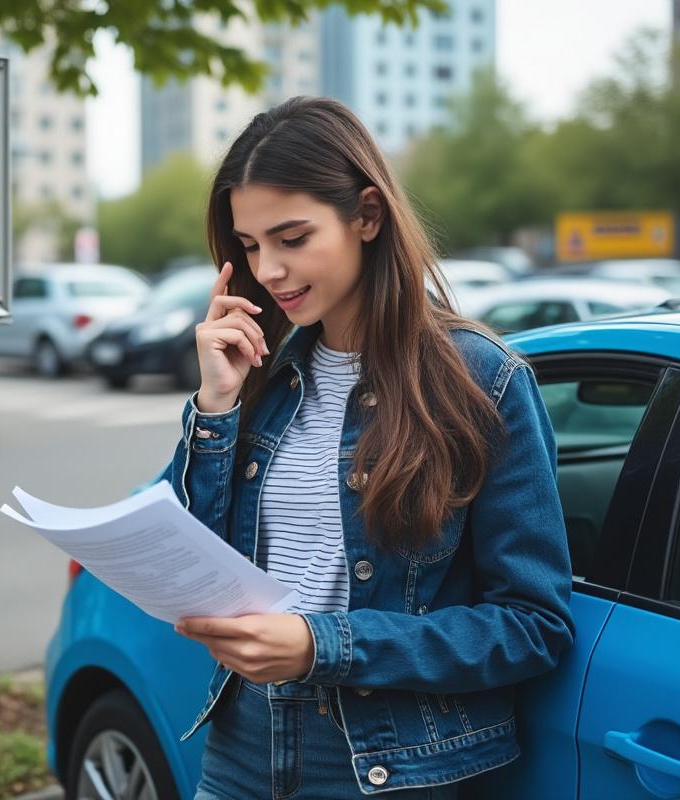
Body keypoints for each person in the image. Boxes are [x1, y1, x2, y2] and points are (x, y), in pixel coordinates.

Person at [163, 96, 575, 798]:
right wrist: (216, 404)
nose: (269, 270)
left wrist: (323, 645)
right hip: (242, 746)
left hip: (387, 762)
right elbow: (198, 557)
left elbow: (533, 626)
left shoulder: (483, 379)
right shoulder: (262, 376)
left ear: (368, 216)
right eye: (251, 246)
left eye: (292, 238)